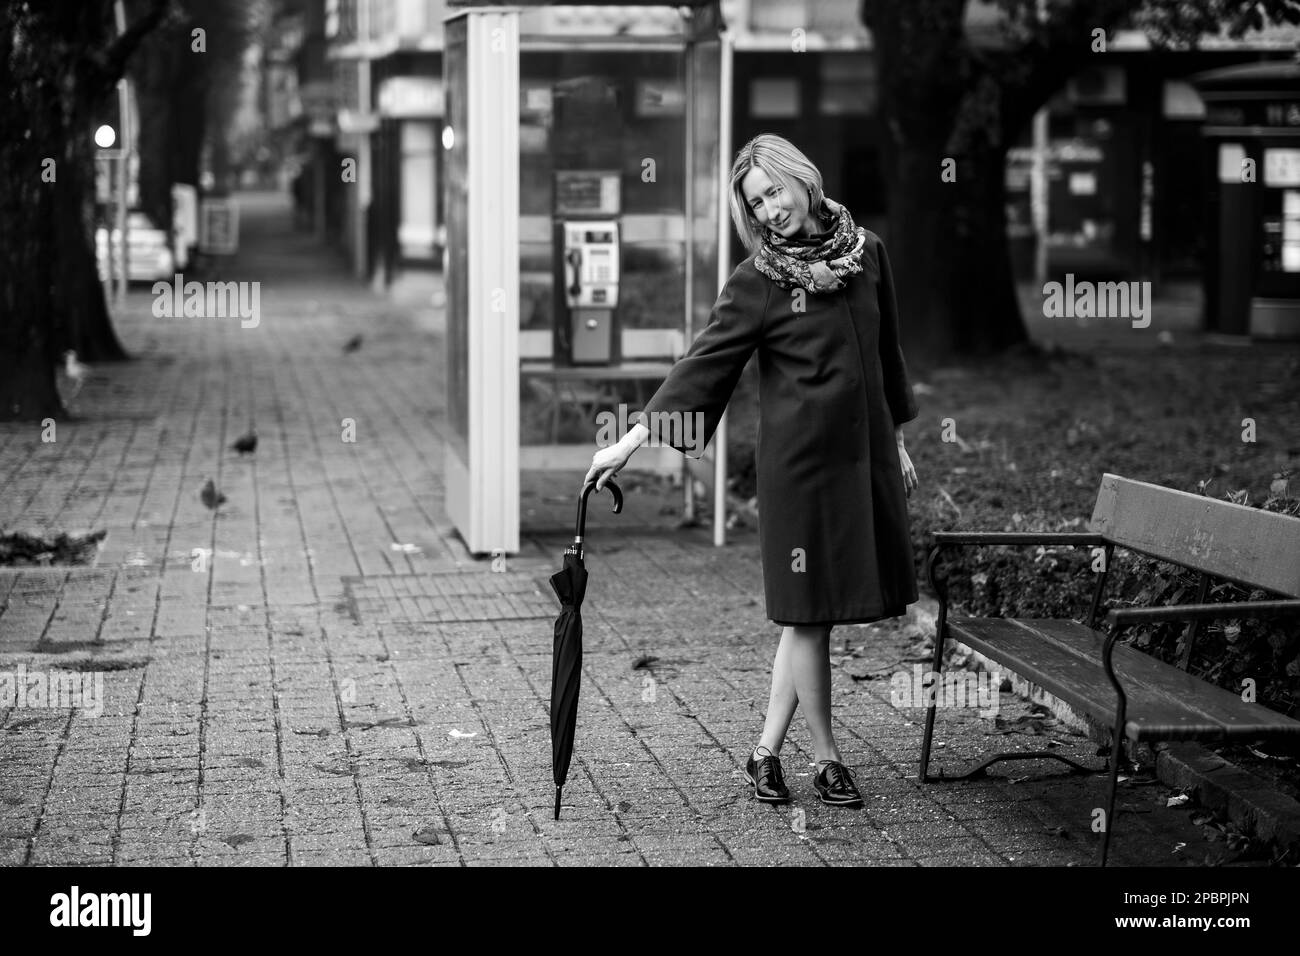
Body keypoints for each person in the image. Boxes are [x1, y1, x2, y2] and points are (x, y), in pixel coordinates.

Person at [585, 134, 921, 809]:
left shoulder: (869, 253)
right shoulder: (760, 281)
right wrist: (629, 442)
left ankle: (765, 752)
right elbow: (703, 368)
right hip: (799, 470)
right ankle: (827, 758)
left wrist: (899, 439)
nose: (769, 210)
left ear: (803, 179)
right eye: (755, 203)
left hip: (862, 458)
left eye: (774, 192)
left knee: (809, 618)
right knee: (807, 614)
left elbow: (886, 355)